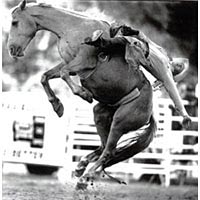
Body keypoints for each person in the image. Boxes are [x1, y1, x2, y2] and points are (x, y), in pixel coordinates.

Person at [83, 24, 191, 128]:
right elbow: (149, 41)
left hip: (140, 55)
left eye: (181, 68)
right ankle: (103, 48)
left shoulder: (167, 77)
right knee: (129, 37)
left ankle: (101, 43)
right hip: (141, 46)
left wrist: (184, 114)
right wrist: (137, 32)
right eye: (181, 64)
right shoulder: (164, 54)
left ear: (177, 72)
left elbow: (175, 95)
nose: (180, 65)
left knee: (129, 41)